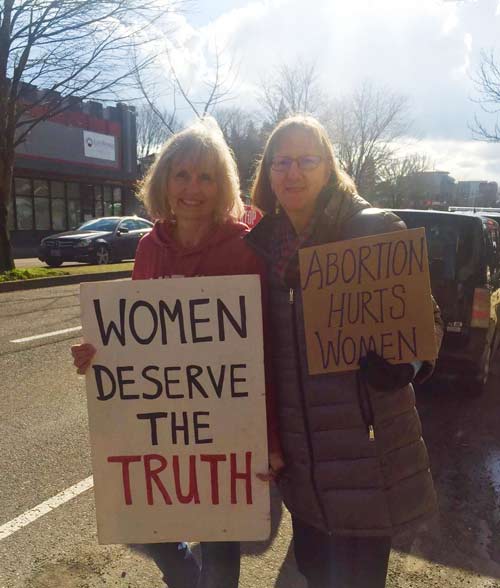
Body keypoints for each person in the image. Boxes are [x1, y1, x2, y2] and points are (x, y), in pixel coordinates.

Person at [71, 118, 283, 588]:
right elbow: (137, 336)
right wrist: (97, 353)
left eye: (206, 176)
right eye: (182, 175)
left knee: (223, 563)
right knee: (154, 537)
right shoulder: (150, 247)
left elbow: (263, 348)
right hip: (162, 428)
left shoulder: (246, 250)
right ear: (164, 181)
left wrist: (269, 438)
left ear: (222, 183)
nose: (193, 188)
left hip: (227, 430)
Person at [245, 115, 443, 588]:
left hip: (363, 456)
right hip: (302, 462)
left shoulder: (369, 230)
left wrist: (407, 365)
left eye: (307, 160)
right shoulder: (261, 250)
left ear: (329, 168)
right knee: (314, 572)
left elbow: (429, 320)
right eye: (282, 162)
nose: (293, 172)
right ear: (268, 175)